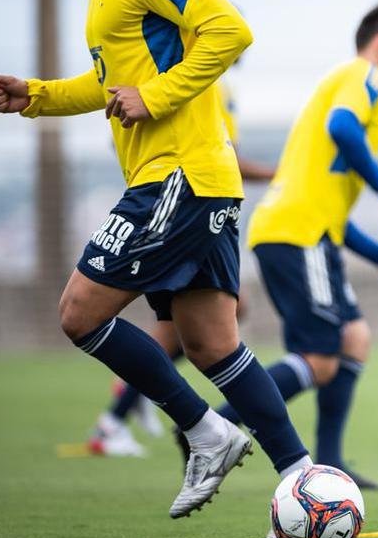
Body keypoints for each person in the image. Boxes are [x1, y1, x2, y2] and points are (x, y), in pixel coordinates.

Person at [0, 0, 312, 517]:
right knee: (215, 345)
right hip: (194, 179)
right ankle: (307, 483)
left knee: (77, 313)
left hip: (178, 177)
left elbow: (229, 30)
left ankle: (203, 429)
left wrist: (154, 95)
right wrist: (34, 96)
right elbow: (110, 87)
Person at [214, 1, 378, 495]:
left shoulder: (351, 84)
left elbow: (334, 209)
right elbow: (342, 128)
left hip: (307, 232)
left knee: (354, 339)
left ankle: (331, 464)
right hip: (298, 234)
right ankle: (218, 428)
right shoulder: (365, 75)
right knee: (322, 355)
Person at [87, 78, 276, 457]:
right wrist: (278, 173)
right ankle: (128, 404)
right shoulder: (204, 84)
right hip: (188, 201)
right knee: (182, 325)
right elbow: (225, 156)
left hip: (199, 201)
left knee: (216, 315)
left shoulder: (212, 85)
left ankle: (136, 394)